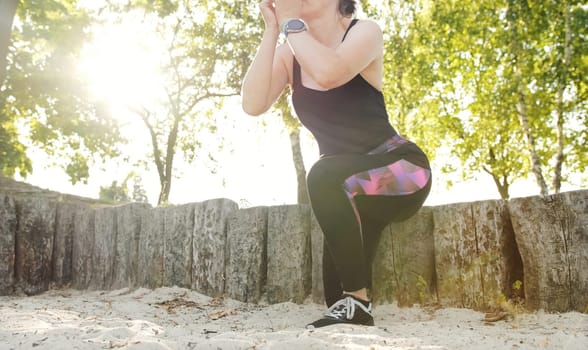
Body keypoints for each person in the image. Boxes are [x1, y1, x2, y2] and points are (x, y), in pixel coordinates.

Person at [241, 0, 432, 328]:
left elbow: (330, 73)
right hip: (347, 189)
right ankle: (355, 302)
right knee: (336, 296)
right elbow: (253, 103)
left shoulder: (364, 32)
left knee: (324, 173)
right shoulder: (291, 55)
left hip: (401, 171)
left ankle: (359, 303)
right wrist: (273, 29)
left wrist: (290, 24)